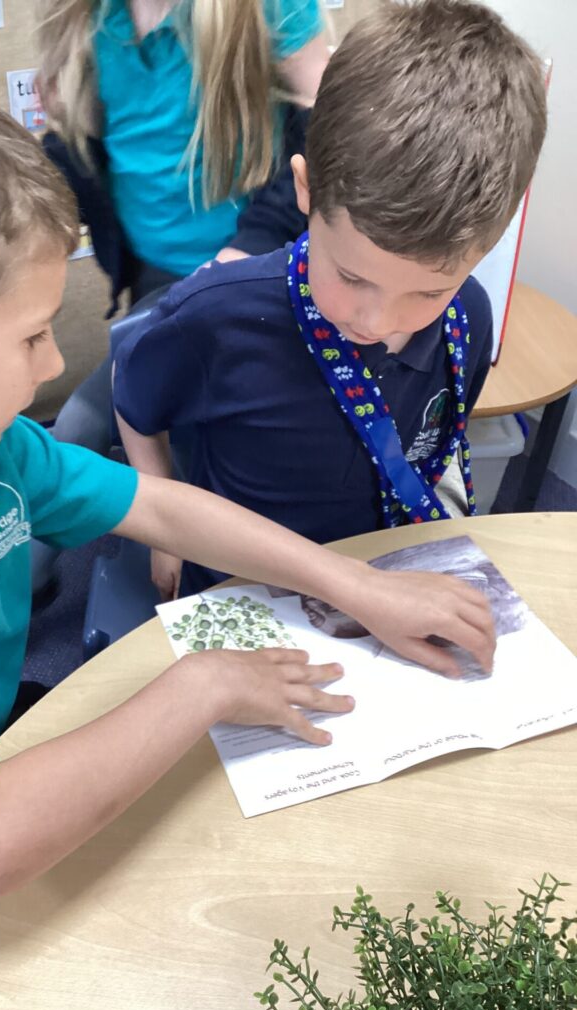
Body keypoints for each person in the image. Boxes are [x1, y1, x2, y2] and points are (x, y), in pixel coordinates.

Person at [0, 43, 496, 982]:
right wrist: (202, 685)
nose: (56, 367)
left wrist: (356, 586)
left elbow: (161, 508)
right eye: (32, 336)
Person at [112, 0, 548, 600]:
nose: (376, 321)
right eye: (351, 276)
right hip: (241, 589)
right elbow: (133, 398)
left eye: (428, 291)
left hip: (382, 585)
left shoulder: (468, 317)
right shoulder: (214, 315)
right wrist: (166, 531)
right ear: (306, 189)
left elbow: (436, 447)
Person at [37, 0, 330, 456]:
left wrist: (258, 240)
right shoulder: (94, 17)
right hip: (154, 283)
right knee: (90, 434)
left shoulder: (268, 8)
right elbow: (87, 148)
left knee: (206, 446)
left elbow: (325, 131)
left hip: (251, 277)